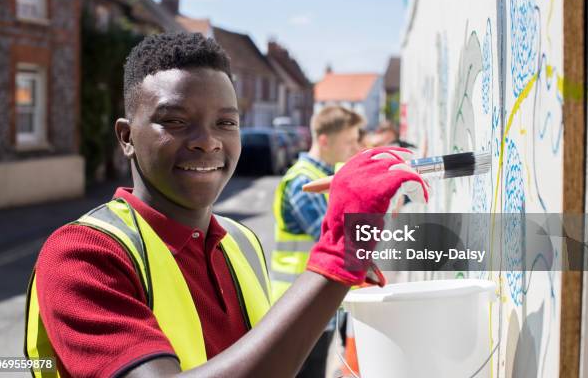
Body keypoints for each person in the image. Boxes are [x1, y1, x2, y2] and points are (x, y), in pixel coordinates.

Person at [24, 32, 429, 378]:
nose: (207, 140)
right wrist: (338, 259)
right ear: (127, 137)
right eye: (176, 120)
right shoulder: (82, 256)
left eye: (226, 122)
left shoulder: (240, 241)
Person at [271, 105, 363, 377]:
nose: (354, 147)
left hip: (315, 305)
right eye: (349, 141)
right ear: (324, 140)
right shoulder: (304, 182)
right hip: (300, 307)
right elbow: (339, 240)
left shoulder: (327, 178)